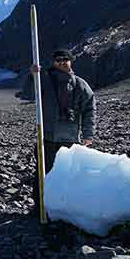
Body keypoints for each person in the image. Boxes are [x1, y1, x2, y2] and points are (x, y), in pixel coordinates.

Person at [29, 48, 96, 215]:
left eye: (65, 59)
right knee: (43, 174)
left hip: (70, 138)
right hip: (48, 137)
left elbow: (89, 109)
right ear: (53, 62)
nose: (62, 62)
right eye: (58, 60)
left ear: (71, 61)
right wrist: (32, 76)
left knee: (68, 175)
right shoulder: (43, 80)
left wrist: (88, 134)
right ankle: (40, 209)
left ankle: (63, 209)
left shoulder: (80, 85)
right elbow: (29, 93)